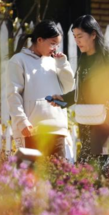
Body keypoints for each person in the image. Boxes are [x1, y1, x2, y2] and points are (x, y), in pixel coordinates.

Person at [50, 15, 109, 172]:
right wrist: (63, 99)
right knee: (89, 168)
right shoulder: (84, 60)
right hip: (86, 121)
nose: (77, 41)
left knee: (97, 166)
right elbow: (82, 92)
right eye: (75, 37)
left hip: (104, 121)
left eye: (80, 36)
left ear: (93, 34)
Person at [6, 20, 74, 158]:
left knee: (58, 176)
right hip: (32, 130)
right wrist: (22, 122)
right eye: (52, 43)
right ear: (40, 40)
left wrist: (63, 64)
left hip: (58, 129)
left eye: (58, 44)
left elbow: (68, 87)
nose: (55, 48)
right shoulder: (18, 60)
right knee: (34, 176)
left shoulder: (55, 62)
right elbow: (13, 95)